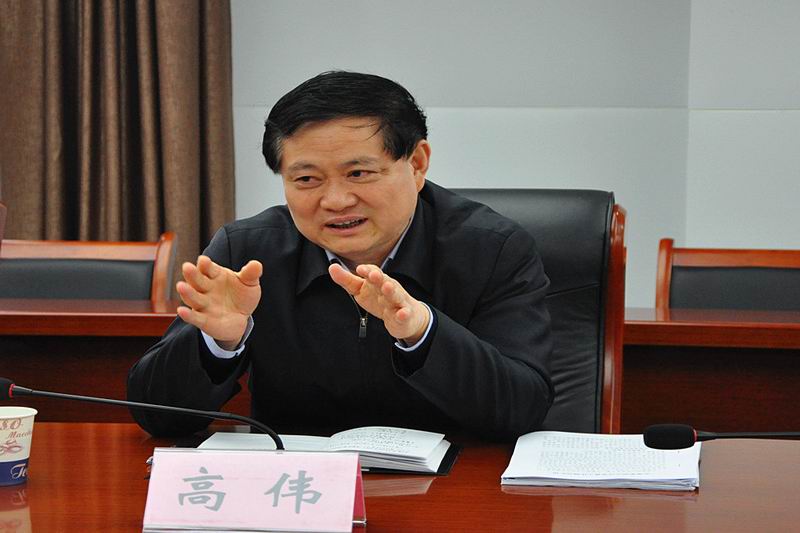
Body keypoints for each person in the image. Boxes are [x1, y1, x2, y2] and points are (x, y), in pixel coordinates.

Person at [127, 71, 553, 440]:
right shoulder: (248, 254)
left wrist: (423, 333)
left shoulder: (492, 249)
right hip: (297, 489)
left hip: (453, 490)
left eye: (358, 173)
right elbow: (157, 417)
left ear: (417, 163)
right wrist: (219, 342)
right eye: (307, 179)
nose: (335, 200)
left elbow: (523, 409)